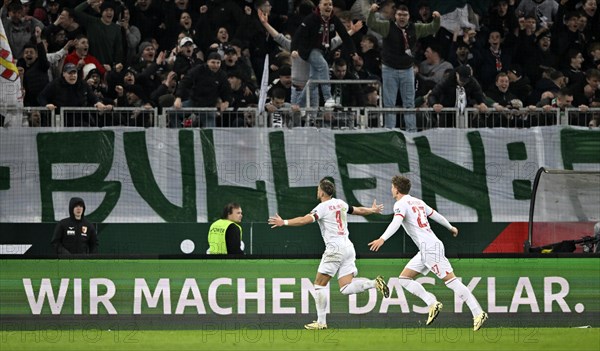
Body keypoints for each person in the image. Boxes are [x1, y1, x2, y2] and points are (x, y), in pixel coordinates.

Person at [368, 175, 488, 331]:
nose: (391, 189)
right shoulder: (418, 202)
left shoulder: (400, 204)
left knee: (451, 281)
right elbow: (435, 215)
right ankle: (432, 303)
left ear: (397, 189)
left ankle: (478, 313)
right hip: (426, 249)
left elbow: (396, 222)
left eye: (392, 186)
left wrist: (382, 239)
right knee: (404, 279)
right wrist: (450, 227)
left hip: (430, 248)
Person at [268, 178, 389, 330]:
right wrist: (372, 210)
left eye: (318, 189)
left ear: (322, 192)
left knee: (319, 284)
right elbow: (357, 210)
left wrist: (284, 222)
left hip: (335, 249)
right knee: (345, 287)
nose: (317, 191)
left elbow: (304, 220)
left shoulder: (322, 207)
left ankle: (321, 322)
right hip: (348, 247)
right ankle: (374, 283)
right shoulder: (341, 203)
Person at [367, 3, 441, 131]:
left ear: (409, 16)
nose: (402, 17)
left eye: (405, 15)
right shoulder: (387, 26)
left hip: (407, 69)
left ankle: (411, 132)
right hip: (389, 69)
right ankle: (390, 130)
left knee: (409, 103)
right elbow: (371, 24)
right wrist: (371, 12)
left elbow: (432, 28)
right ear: (395, 16)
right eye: (399, 14)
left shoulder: (415, 28)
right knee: (389, 103)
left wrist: (437, 18)